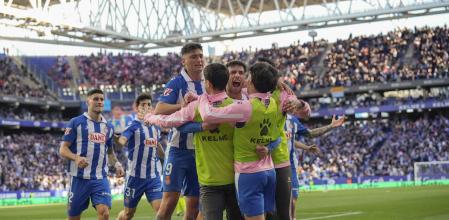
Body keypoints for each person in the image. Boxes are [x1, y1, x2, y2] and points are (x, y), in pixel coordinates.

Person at [197, 62, 307, 220]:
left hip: (255, 168)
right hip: (252, 170)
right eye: (233, 72)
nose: (239, 77)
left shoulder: (255, 102)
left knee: (273, 215)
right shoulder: (268, 103)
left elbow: (287, 126)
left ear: (251, 80)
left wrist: (299, 103)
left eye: (243, 73)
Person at [145, 63, 244, 220]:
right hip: (236, 178)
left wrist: (149, 117)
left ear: (208, 84)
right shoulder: (239, 108)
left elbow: (171, 122)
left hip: (210, 182)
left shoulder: (196, 107)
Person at [153, 42, 205, 220]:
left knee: (193, 208)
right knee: (168, 204)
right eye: (193, 57)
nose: (198, 59)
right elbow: (159, 108)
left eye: (200, 55)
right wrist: (180, 106)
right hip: (178, 151)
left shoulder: (210, 82)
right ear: (184, 61)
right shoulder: (177, 83)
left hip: (202, 152)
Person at [59, 88, 125, 220]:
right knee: (73, 217)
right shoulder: (75, 122)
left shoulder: (108, 127)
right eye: (96, 99)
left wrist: (117, 164)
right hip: (79, 178)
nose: (99, 102)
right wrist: (76, 157)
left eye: (101, 99)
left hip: (100, 178)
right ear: (88, 101)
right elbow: (63, 149)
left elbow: (110, 151)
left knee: (104, 212)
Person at [115, 94, 165, 220]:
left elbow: (157, 144)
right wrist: (115, 138)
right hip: (135, 178)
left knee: (162, 212)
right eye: (143, 105)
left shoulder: (155, 127)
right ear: (137, 108)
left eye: (149, 104)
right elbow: (122, 141)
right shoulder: (133, 126)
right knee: (128, 214)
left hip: (153, 177)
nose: (146, 107)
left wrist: (166, 160)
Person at [287, 115, 345, 219]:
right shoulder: (272, 116)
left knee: (293, 198)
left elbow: (309, 134)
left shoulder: (292, 120)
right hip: (272, 164)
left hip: (289, 165)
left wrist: (331, 126)